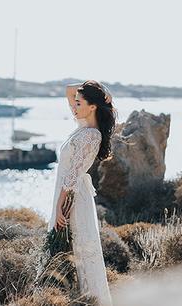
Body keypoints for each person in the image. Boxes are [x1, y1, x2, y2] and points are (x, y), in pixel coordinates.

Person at [47, 80, 117, 306]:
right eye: (75, 103)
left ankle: (90, 299)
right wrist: (103, 89)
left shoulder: (91, 135)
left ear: (92, 106)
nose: (73, 106)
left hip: (73, 199)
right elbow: (69, 89)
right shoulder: (82, 125)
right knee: (69, 248)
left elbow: (73, 176)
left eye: (79, 103)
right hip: (67, 195)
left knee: (80, 248)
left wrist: (60, 205)